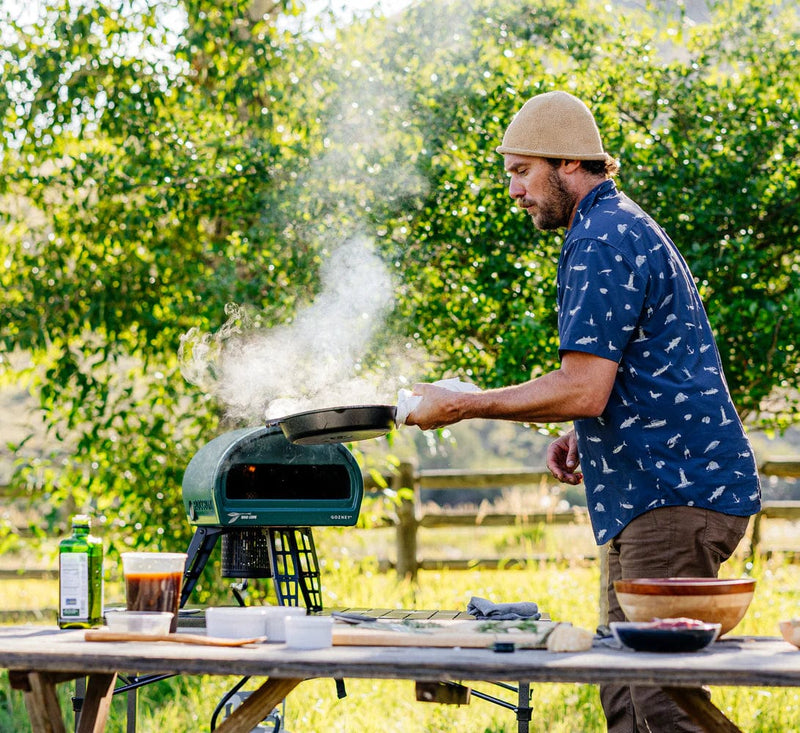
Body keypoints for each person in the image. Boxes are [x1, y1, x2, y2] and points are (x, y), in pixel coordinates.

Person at [405, 90, 762, 732]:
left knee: (661, 705)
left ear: (568, 163)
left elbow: (585, 386)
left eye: (521, 170)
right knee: (625, 699)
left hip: (671, 496)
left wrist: (463, 404)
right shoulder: (608, 225)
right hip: (649, 495)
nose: (512, 189)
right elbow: (614, 380)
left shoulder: (602, 235)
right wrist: (584, 431)